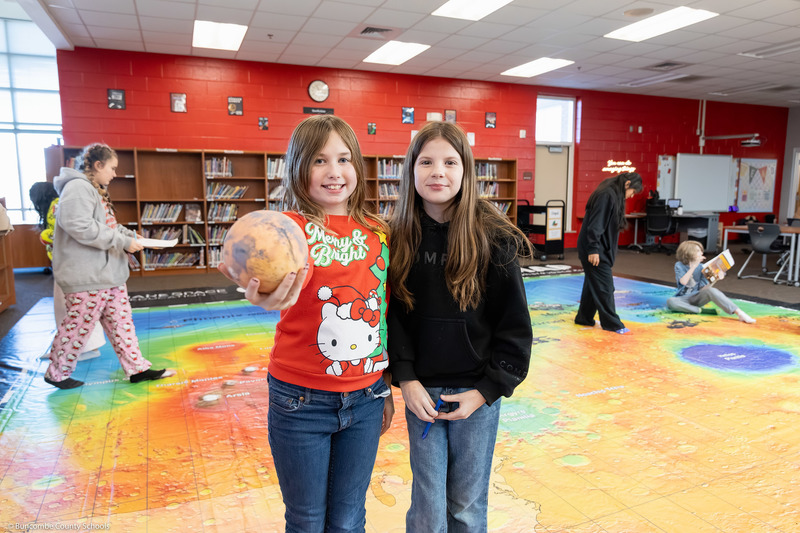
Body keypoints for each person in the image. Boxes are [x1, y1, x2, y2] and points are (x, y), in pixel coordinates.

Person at [219, 115, 394, 533]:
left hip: (367, 396)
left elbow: (387, 311)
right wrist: (258, 292)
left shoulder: (379, 231)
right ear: (299, 167)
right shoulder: (286, 230)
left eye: (344, 159)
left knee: (349, 519)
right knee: (307, 521)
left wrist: (387, 386)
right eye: (319, 161)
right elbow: (256, 273)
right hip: (299, 401)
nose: (335, 172)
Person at [387, 121, 533, 532]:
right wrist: (406, 378)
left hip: (475, 394)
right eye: (427, 161)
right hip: (423, 395)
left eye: (450, 162)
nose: (438, 171)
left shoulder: (494, 238)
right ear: (411, 170)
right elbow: (392, 315)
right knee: (428, 505)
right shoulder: (398, 238)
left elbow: (515, 327)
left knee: (467, 506)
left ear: (466, 171)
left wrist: (487, 390)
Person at [44, 143, 176, 389]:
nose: (115, 174)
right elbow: (80, 226)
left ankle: (137, 369)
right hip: (87, 275)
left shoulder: (95, 189)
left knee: (122, 324)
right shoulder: (77, 188)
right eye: (112, 168)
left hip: (109, 274)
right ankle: (56, 373)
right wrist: (123, 240)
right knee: (77, 327)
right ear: (98, 165)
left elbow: (109, 225)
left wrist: (132, 237)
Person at [30, 181, 106, 361]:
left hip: (70, 264)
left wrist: (48, 237)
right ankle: (74, 347)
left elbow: (64, 233)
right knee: (76, 305)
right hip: (68, 263)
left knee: (68, 306)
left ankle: (77, 348)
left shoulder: (56, 206)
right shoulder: (58, 205)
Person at [574, 172, 643, 334]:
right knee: (605, 286)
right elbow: (595, 223)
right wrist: (593, 249)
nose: (631, 196)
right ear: (627, 184)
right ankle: (612, 323)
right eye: (632, 191)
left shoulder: (611, 193)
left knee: (593, 284)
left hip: (598, 248)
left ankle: (584, 317)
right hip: (595, 249)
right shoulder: (607, 194)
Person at [667, 239, 755, 323]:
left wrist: (716, 279)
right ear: (688, 252)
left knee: (712, 290)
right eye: (698, 251)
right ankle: (702, 311)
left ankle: (739, 313)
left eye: (701, 250)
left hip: (698, 297)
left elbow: (704, 289)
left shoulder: (702, 267)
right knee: (671, 301)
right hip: (682, 299)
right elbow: (683, 282)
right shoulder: (679, 265)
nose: (701, 253)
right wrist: (693, 266)